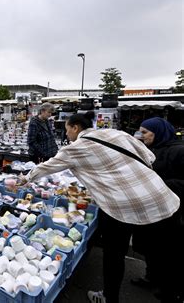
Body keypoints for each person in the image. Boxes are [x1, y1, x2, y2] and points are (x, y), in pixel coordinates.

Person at [26, 112, 181, 303]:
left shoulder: (75, 148)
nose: (66, 135)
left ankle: (109, 297)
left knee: (114, 255)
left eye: (67, 130)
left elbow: (46, 167)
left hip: (121, 205)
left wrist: (24, 179)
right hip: (161, 197)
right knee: (166, 254)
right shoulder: (117, 133)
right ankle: (170, 295)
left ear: (75, 128)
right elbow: (149, 157)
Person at [131, 117, 184, 292]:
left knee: (167, 251)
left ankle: (169, 287)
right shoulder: (151, 149)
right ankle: (151, 277)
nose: (141, 136)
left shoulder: (179, 151)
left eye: (145, 132)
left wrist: (157, 183)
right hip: (151, 209)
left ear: (158, 131)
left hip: (171, 212)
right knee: (151, 248)